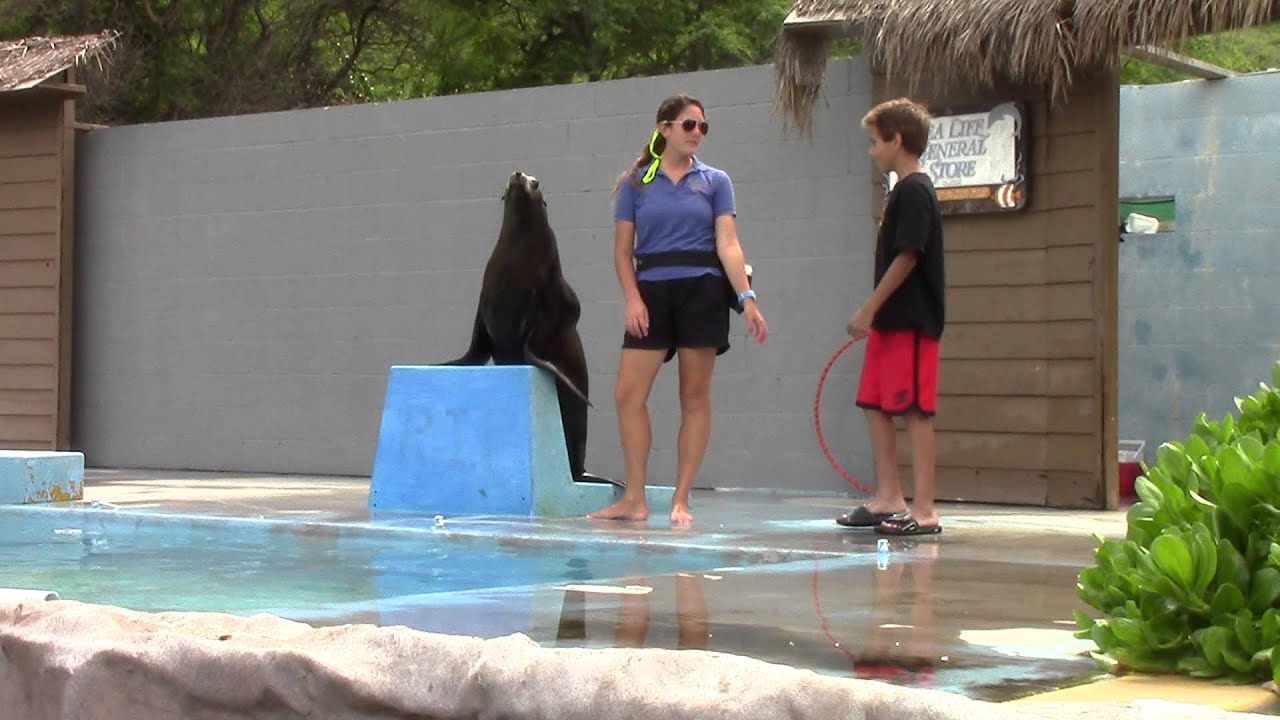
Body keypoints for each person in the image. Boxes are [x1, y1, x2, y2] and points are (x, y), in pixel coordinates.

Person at [588, 93, 768, 526]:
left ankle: (681, 498)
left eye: (703, 127)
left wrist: (746, 299)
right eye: (689, 125)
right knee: (627, 394)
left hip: (702, 289)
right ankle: (634, 498)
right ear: (664, 128)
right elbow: (622, 252)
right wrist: (632, 297)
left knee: (694, 395)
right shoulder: (636, 183)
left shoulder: (715, 181)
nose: (697, 134)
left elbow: (728, 244)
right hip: (651, 288)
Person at [836, 97, 945, 536]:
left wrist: (869, 307)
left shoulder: (916, 190)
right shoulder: (899, 191)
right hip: (890, 323)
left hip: (913, 322)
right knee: (875, 404)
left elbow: (909, 256)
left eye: (874, 142)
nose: (871, 151)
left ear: (896, 140)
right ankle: (888, 497)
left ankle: (924, 510)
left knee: (916, 412)